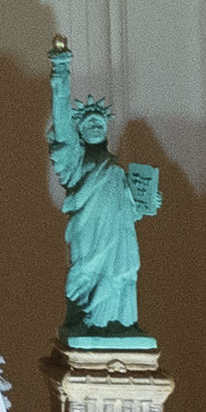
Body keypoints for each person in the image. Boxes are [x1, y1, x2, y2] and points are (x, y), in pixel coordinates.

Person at [45, 38, 163, 347]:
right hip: (91, 235)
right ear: (80, 132)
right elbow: (60, 118)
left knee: (122, 276)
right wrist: (60, 70)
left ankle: (120, 323)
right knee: (88, 277)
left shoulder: (115, 167)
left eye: (100, 123)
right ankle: (91, 322)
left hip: (119, 238)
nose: (96, 126)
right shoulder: (75, 160)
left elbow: (130, 207)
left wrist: (146, 203)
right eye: (90, 123)